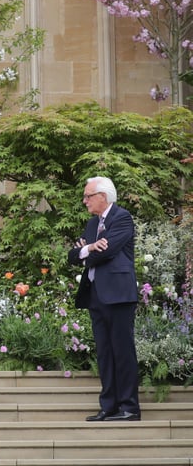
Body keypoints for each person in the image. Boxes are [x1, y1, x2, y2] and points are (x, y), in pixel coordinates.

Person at [67, 177, 141, 422]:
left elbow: (107, 250)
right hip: (96, 294)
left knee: (122, 351)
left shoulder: (122, 217)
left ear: (103, 196)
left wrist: (87, 251)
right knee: (105, 353)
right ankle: (108, 406)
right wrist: (89, 248)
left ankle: (129, 408)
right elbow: (73, 255)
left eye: (88, 196)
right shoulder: (92, 224)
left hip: (119, 295)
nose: (84, 201)